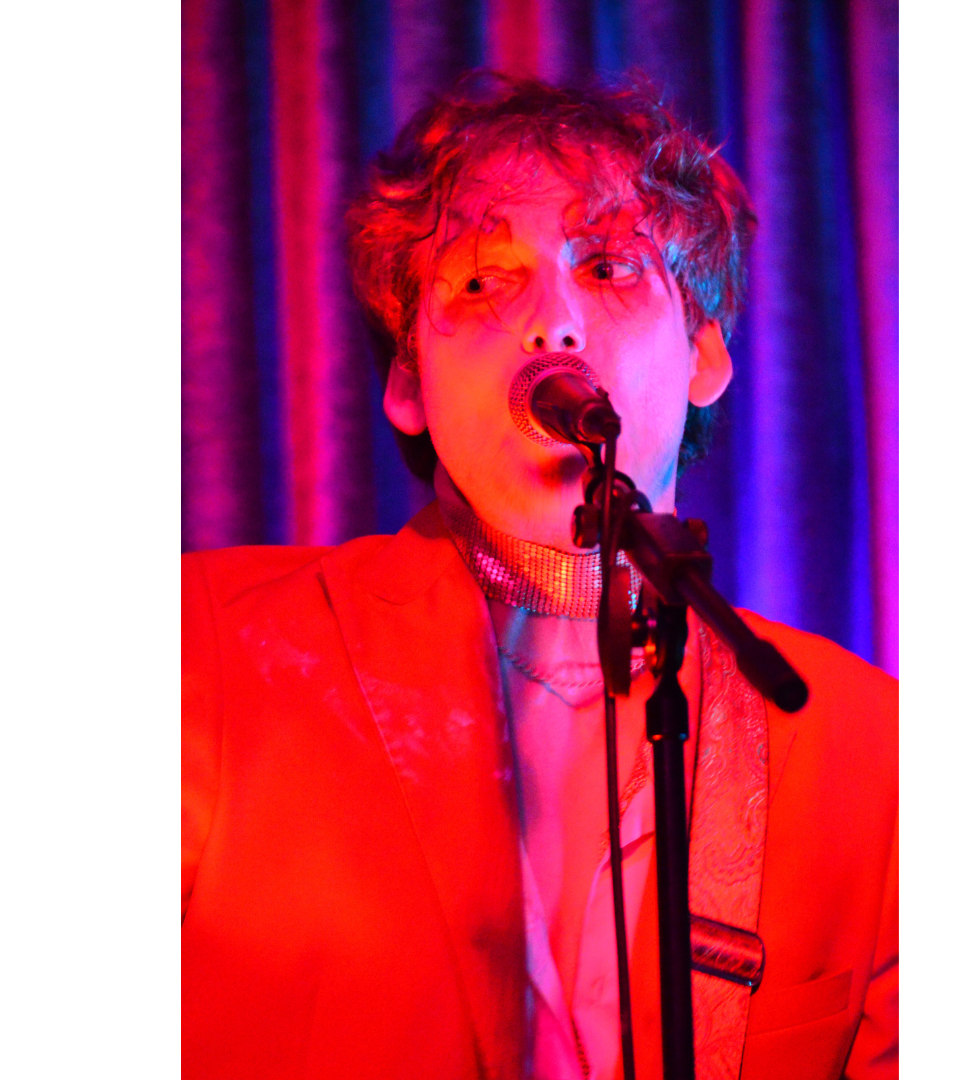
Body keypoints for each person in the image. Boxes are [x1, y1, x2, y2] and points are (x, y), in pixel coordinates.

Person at [182, 74, 898, 1080]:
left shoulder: (868, 749)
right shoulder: (210, 655)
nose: (555, 325)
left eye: (608, 267)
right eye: (483, 282)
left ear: (703, 353)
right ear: (407, 379)